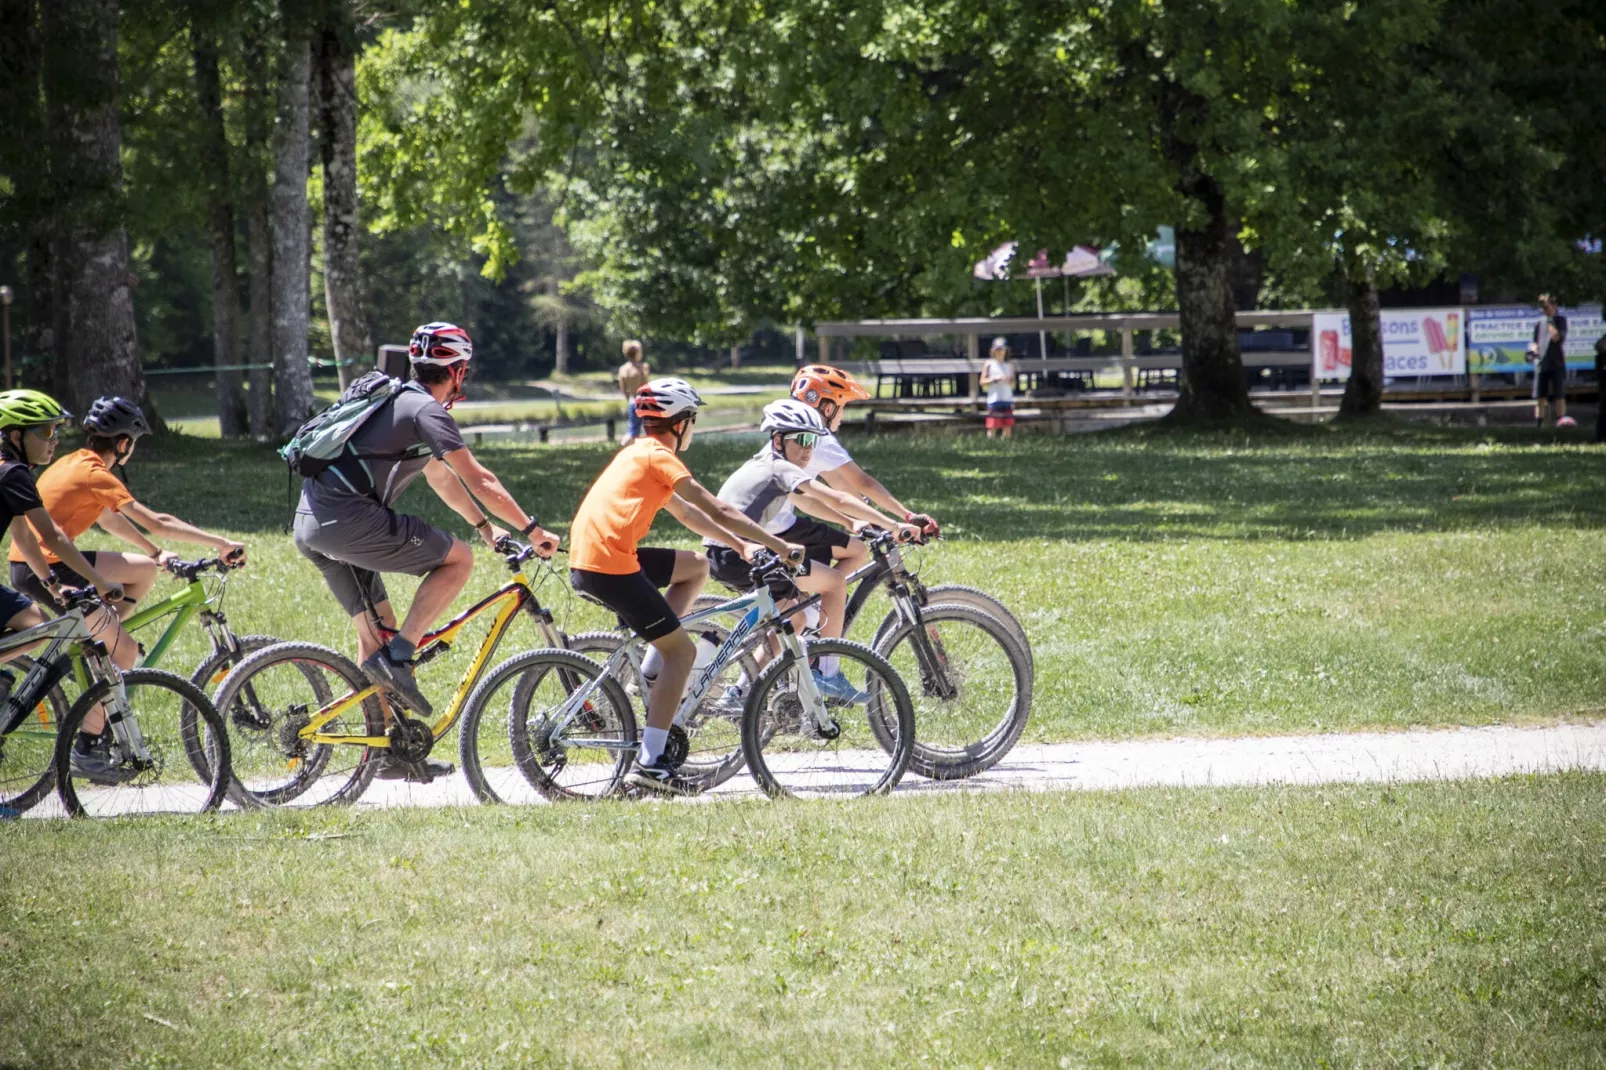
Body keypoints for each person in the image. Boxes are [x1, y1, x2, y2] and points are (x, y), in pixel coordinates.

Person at [293, 321, 561, 781]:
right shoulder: (427, 411)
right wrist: (531, 528)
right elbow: (480, 479)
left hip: (311, 525)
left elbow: (441, 476)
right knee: (458, 560)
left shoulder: (396, 400)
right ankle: (401, 657)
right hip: (350, 522)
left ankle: (386, 750)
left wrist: (483, 524)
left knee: (374, 636)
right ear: (457, 371)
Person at [567, 378, 804, 795]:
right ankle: (651, 762)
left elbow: (691, 515)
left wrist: (739, 546)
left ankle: (653, 665)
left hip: (598, 557)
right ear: (681, 423)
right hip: (609, 565)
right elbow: (717, 506)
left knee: (696, 567)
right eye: (692, 421)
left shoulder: (639, 453)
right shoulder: (660, 457)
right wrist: (777, 544)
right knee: (686, 652)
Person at [704, 399, 917, 703]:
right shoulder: (780, 468)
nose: (808, 449)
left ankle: (740, 693)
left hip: (726, 553)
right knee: (833, 582)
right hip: (739, 554)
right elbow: (836, 497)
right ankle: (827, 673)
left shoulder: (770, 465)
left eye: (813, 441)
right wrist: (893, 524)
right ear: (778, 440)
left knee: (796, 619)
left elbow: (812, 503)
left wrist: (850, 522)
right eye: (801, 440)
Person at [7, 396, 246, 619]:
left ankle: (105, 641)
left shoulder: (76, 462)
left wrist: (155, 552)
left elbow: (110, 519)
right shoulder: (95, 474)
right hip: (45, 566)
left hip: (29, 563)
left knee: (144, 568)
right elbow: (157, 523)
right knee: (124, 650)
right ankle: (111, 645)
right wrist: (222, 543)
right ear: (123, 444)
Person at [0, 390, 128, 780]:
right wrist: (100, 581)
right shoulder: (13, 473)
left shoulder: (7, 470)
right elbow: (51, 537)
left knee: (32, 620)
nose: (54, 440)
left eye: (56, 431)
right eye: (46, 431)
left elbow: (22, 534)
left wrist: (52, 583)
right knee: (36, 632)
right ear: (16, 435)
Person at [777, 364, 941, 573]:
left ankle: (816, 604)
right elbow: (863, 483)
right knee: (855, 553)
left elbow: (839, 483)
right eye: (842, 406)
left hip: (773, 523)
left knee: (813, 583)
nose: (843, 415)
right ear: (828, 408)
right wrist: (906, 516)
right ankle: (825, 603)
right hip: (779, 528)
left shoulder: (791, 433)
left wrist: (872, 519)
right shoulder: (817, 438)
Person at [1527, 294, 1568, 427]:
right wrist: (1533, 349)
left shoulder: (1560, 320)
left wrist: (1550, 319)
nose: (1544, 310)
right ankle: (1539, 423)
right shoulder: (1539, 323)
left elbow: (1557, 338)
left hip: (1556, 362)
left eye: (1547, 306)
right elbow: (1535, 341)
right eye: (1542, 307)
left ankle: (1561, 421)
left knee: (1559, 395)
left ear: (1554, 306)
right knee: (1540, 396)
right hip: (1542, 362)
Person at [980, 336, 1017, 439]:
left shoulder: (1010, 365)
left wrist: (1009, 380)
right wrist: (994, 379)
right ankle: (991, 444)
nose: (1000, 352)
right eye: (997, 350)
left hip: (1006, 398)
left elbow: (1013, 384)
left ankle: (1006, 445)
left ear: (1006, 351)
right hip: (994, 399)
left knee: (1007, 426)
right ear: (993, 351)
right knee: (992, 425)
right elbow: (982, 381)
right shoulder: (989, 364)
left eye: (1002, 350)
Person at [617, 340, 651, 444]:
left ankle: (628, 444)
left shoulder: (623, 369)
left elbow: (623, 388)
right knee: (648, 429)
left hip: (632, 401)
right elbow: (645, 385)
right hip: (643, 401)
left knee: (633, 428)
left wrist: (629, 398)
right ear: (636, 353)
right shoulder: (641, 368)